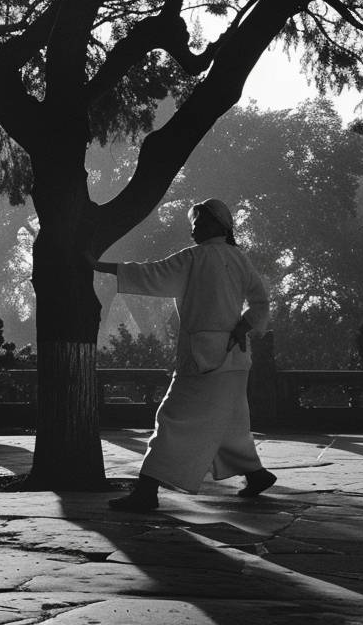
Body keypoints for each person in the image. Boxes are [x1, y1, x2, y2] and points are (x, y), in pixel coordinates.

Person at [88, 198, 277, 511]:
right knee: (230, 423)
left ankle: (146, 491)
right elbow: (261, 303)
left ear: (221, 226)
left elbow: (152, 273)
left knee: (173, 419)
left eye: (200, 225)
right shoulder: (240, 259)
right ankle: (256, 475)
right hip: (236, 359)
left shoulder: (194, 258)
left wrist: (98, 266)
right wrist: (243, 327)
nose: (194, 232)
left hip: (203, 359)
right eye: (194, 226)